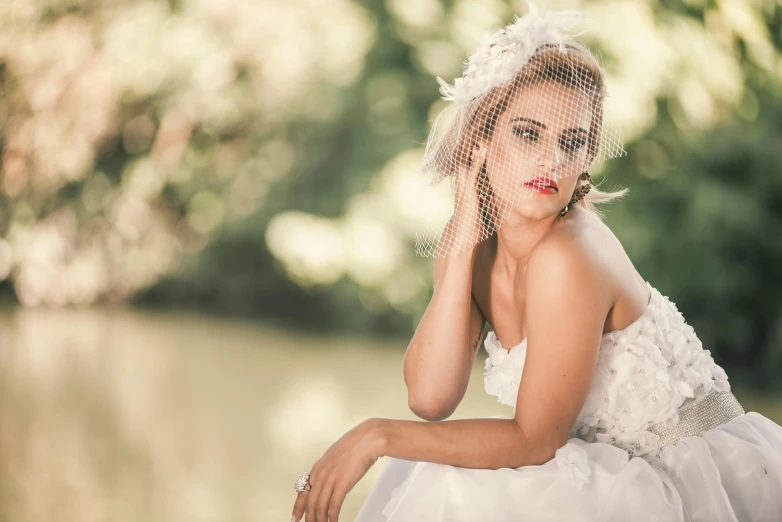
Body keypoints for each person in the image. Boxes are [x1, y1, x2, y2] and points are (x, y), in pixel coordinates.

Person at [290, 4, 782, 521]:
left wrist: (375, 436)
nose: (552, 159)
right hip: (608, 466)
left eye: (572, 142)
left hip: (686, 477)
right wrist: (461, 236)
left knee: (445, 483)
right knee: (436, 472)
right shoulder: (472, 246)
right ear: (481, 139)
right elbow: (430, 399)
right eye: (528, 133)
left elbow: (534, 441)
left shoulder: (569, 253)